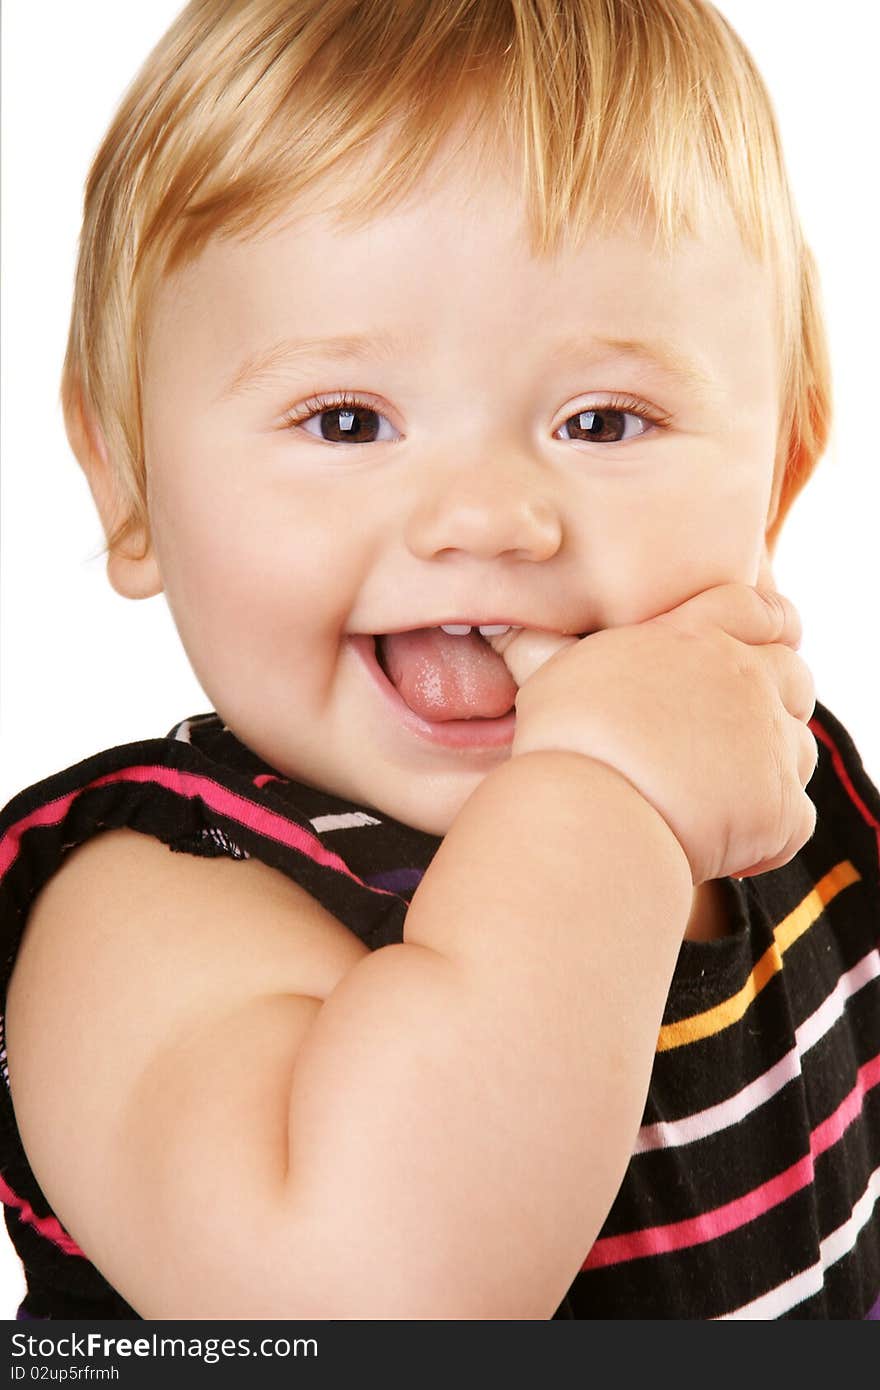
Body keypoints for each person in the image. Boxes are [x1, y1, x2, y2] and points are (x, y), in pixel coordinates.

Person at [0, 0, 877, 1321]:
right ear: (128, 482)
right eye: (347, 419)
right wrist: (596, 801)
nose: (484, 518)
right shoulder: (142, 913)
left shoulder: (776, 801)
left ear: (780, 473)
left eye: (604, 418)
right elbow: (378, 1300)